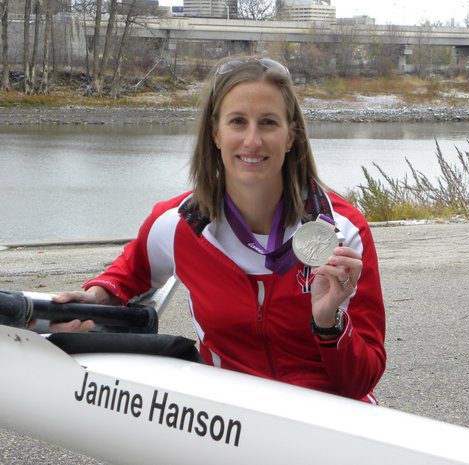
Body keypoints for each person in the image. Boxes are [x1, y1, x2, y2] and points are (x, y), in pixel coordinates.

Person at [53, 56, 386, 402]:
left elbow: (362, 381)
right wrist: (95, 297)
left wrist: (328, 322)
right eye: (238, 122)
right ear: (216, 133)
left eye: (269, 123)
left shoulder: (343, 231)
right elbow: (129, 273)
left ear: (291, 137)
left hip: (327, 422)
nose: (253, 140)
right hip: (229, 424)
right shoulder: (180, 224)